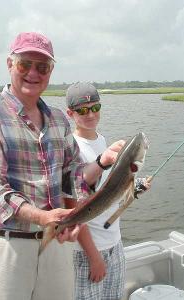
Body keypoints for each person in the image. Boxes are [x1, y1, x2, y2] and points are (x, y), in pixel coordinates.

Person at [0, 32, 125, 300]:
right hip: (2, 243)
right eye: (25, 64)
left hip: (55, 245)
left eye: (43, 67)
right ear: (9, 64)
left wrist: (102, 164)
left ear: (51, 71)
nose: (33, 73)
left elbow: (72, 178)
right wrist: (41, 216)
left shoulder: (59, 120)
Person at [65, 82, 151, 300]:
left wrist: (134, 188)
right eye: (83, 110)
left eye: (95, 107)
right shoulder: (73, 147)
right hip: (88, 252)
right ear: (70, 113)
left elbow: (108, 190)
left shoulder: (103, 141)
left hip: (115, 243)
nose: (90, 114)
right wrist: (94, 258)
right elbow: (75, 207)